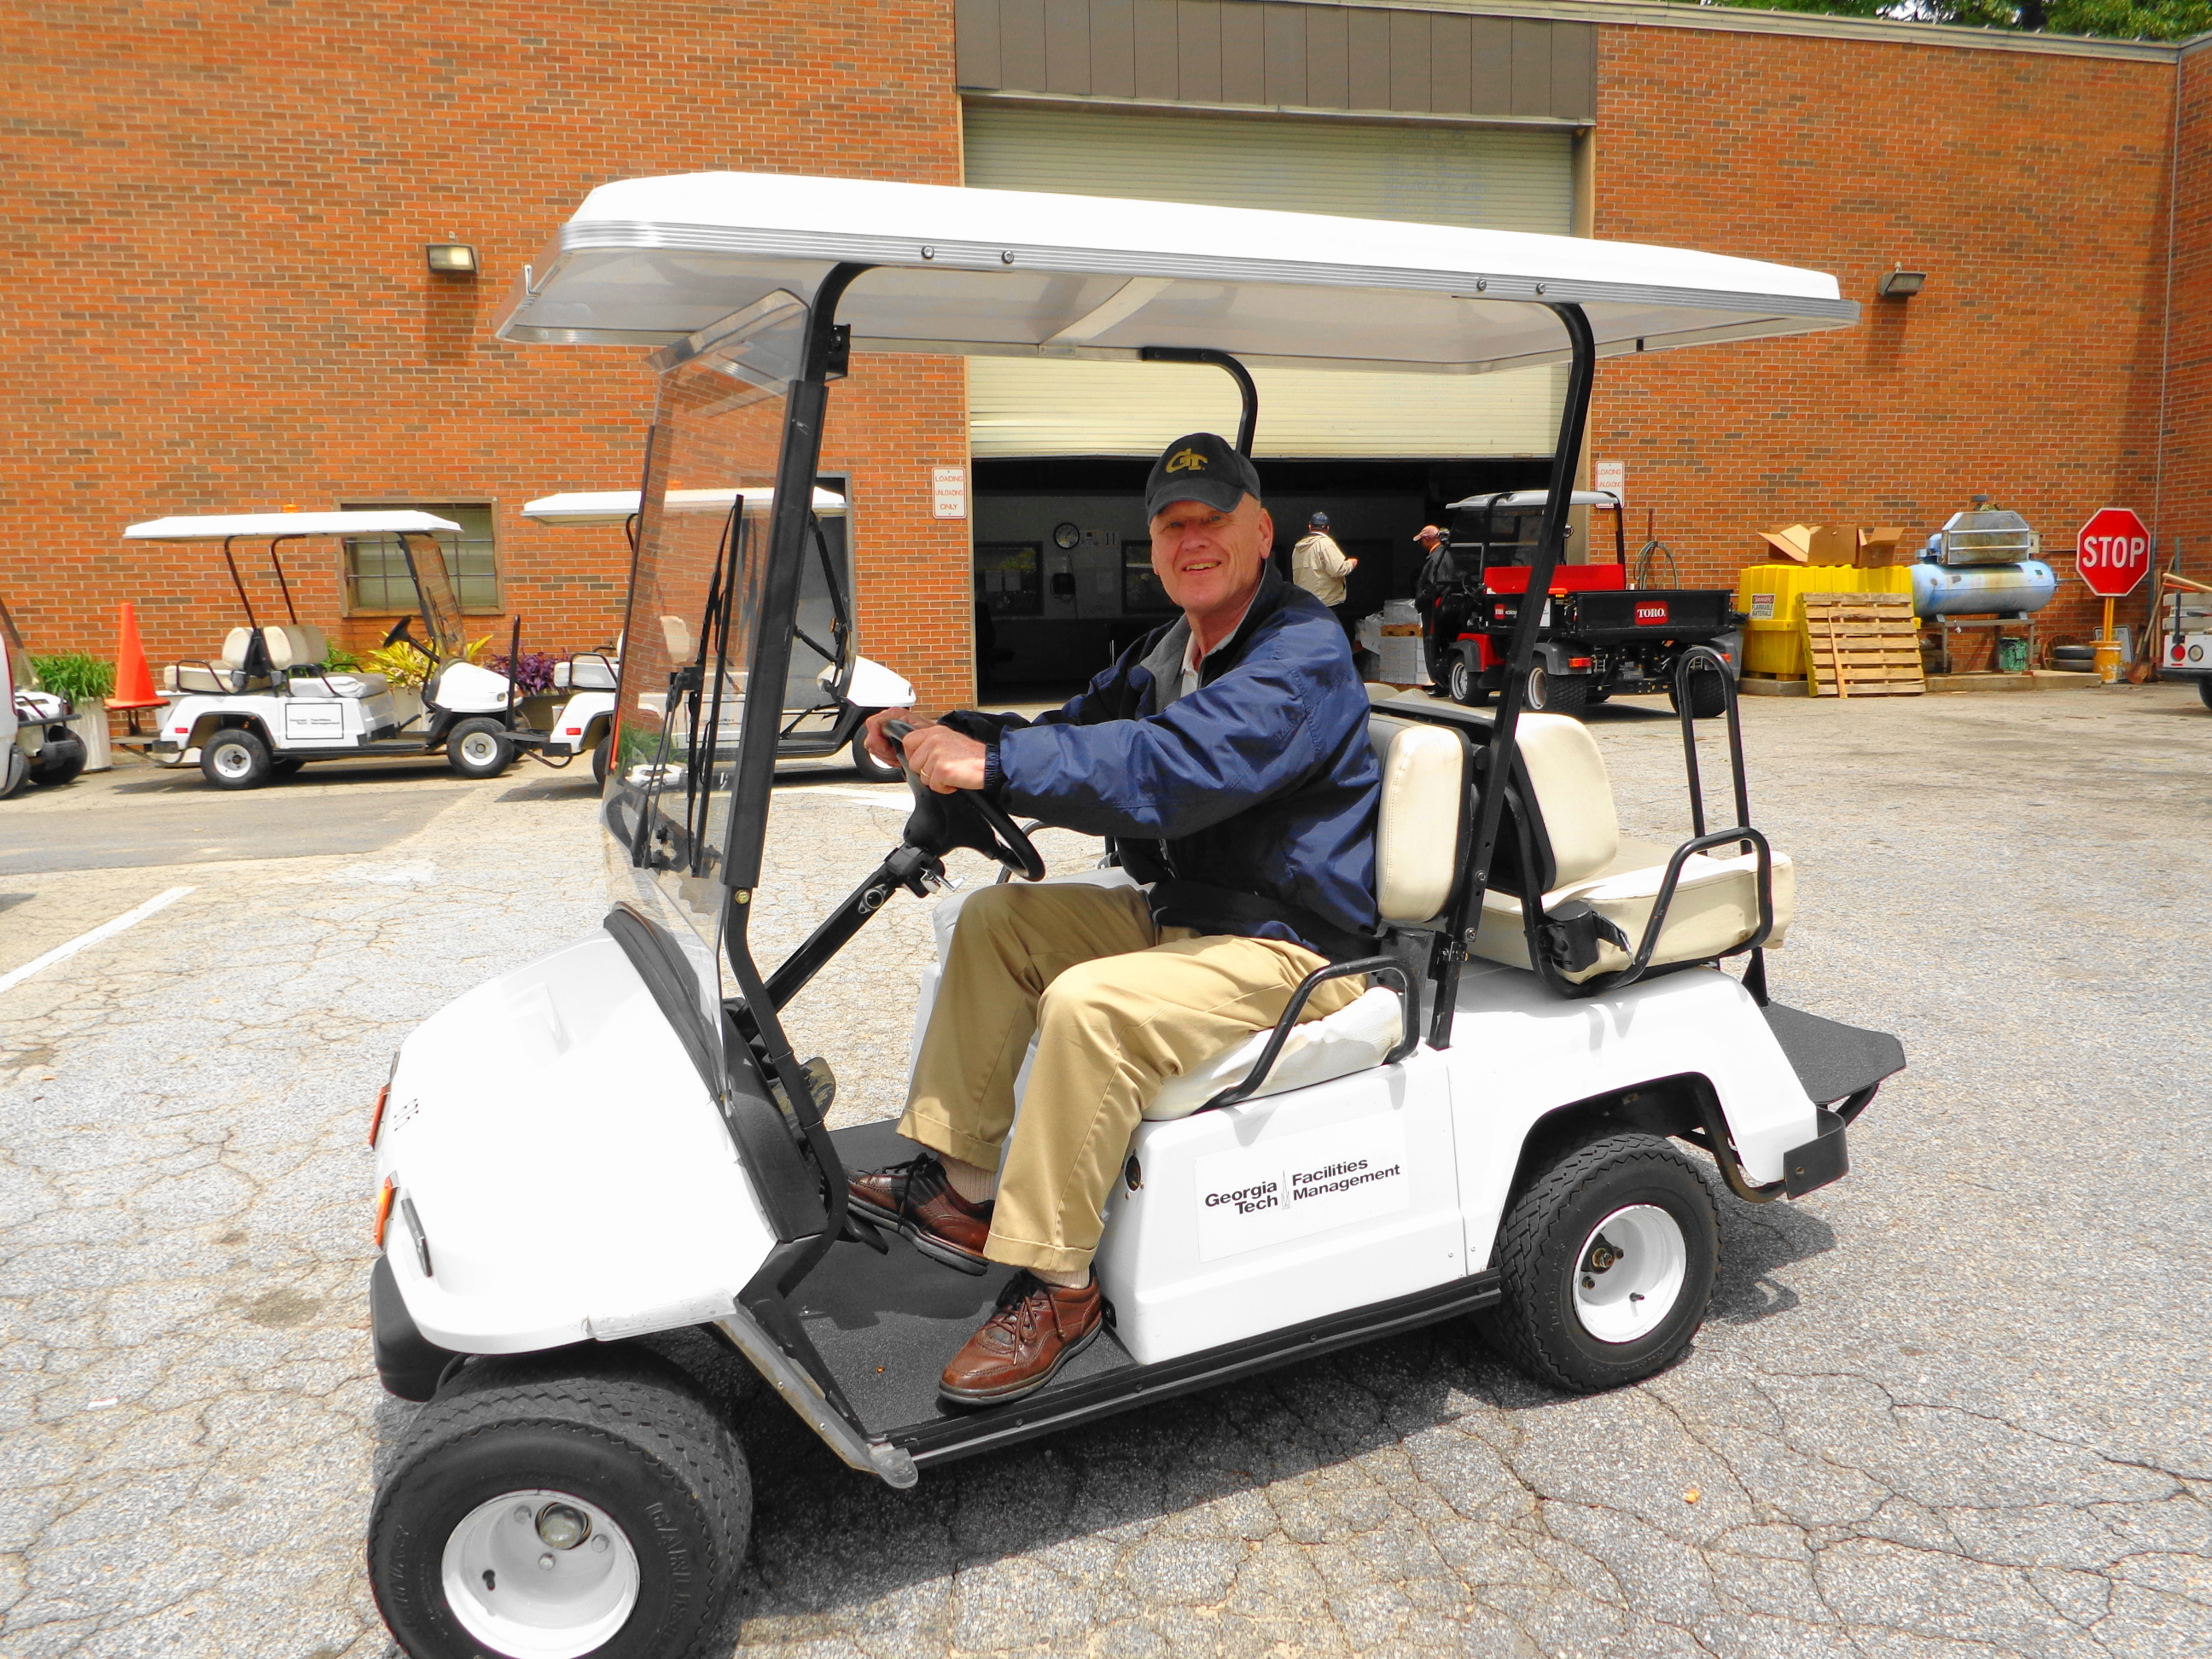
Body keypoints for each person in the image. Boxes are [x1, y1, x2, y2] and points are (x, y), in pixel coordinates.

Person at [851, 432, 1382, 1407]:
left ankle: (1060, 1289)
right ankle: (964, 1193)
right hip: (1189, 917)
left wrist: (1000, 771)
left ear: (1260, 531)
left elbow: (1172, 770)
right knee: (995, 924)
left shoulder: (1300, 653)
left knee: (1090, 1001)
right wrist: (947, 733)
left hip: (1295, 948)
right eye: (1172, 526)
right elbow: (1074, 734)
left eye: (1211, 521)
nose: (1190, 541)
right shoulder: (1169, 650)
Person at [1291, 510, 1361, 649]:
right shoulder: (1325, 544)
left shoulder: (1298, 548)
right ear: (1327, 529)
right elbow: (1338, 569)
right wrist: (1351, 563)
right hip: (1326, 603)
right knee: (1329, 643)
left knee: (1311, 643)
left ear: (1310, 527)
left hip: (1305, 603)